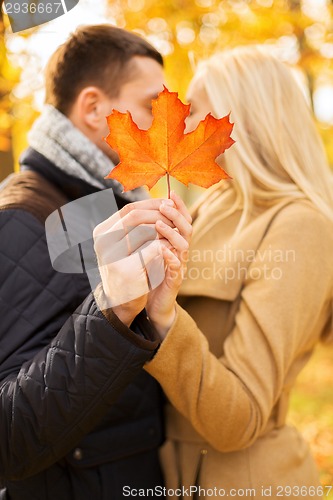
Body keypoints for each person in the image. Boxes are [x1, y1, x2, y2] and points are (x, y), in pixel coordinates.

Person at [117, 47, 333, 499]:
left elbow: (240, 420)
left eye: (195, 110)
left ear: (245, 117)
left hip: (250, 482)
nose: (182, 128)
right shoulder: (211, 210)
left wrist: (164, 320)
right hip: (170, 474)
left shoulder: (300, 225)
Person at [0, 24, 192, 500]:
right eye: (150, 106)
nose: (164, 126)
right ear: (92, 108)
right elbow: (9, 439)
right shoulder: (24, 220)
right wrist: (114, 311)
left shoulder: (104, 207)